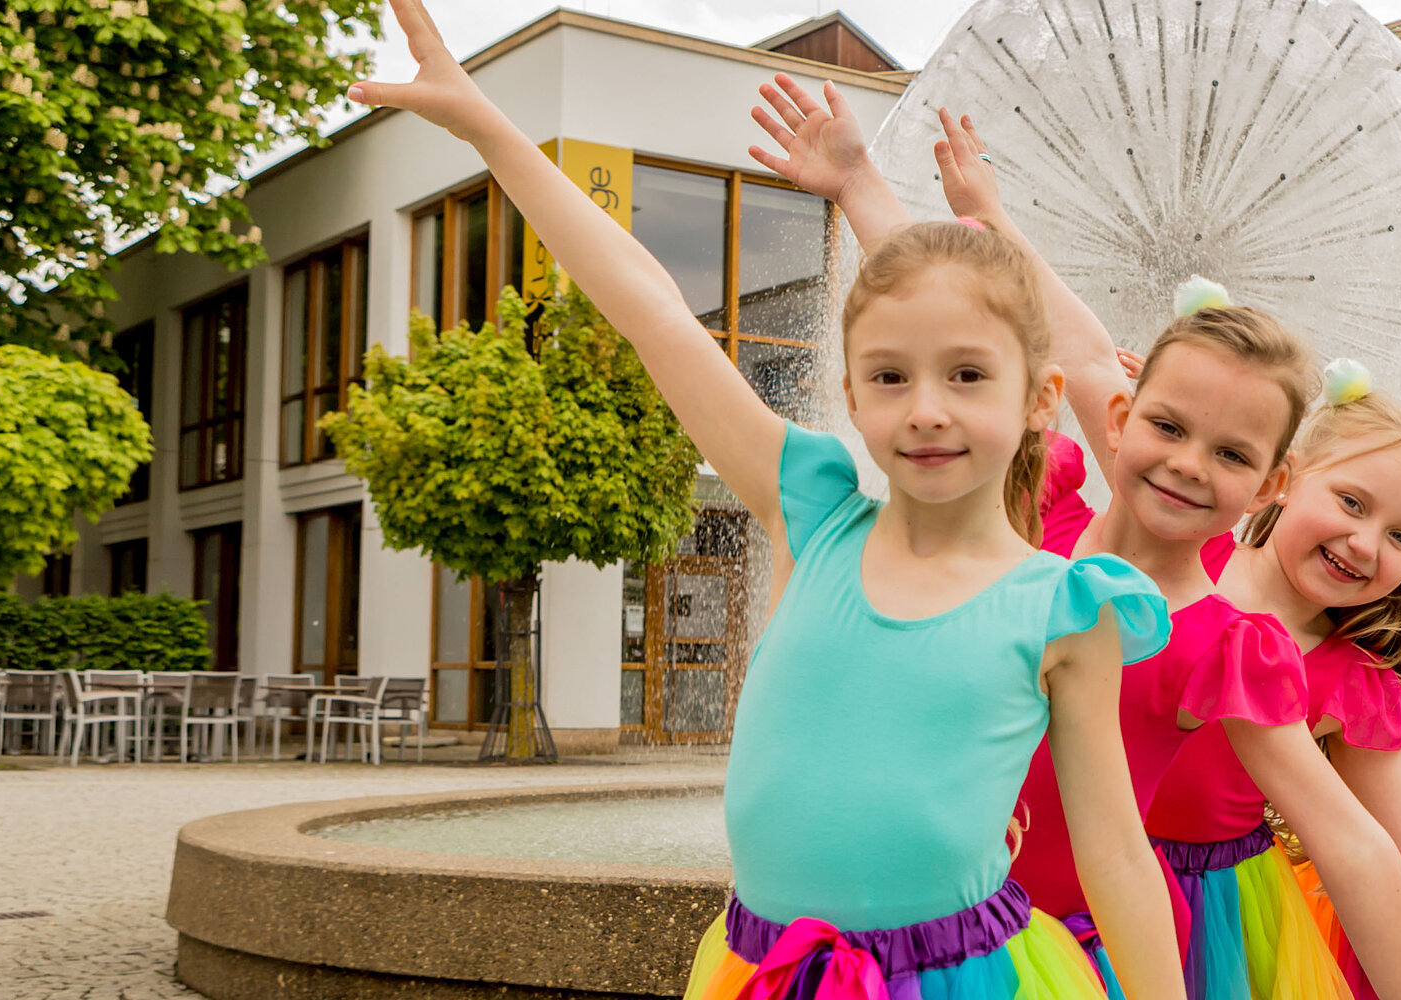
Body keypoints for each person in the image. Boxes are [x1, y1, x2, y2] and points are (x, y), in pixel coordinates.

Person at [347, 7, 1181, 998]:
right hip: (768, 969)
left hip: (963, 979)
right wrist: (490, 129)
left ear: (1040, 400)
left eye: (966, 375)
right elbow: (650, 306)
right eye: (888, 377)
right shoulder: (815, 512)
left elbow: (1119, 855)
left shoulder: (1067, 606)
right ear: (854, 390)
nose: (925, 410)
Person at [740, 78, 1401, 1000]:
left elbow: (1353, 842)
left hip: (1063, 961)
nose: (1190, 465)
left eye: (1231, 453)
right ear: (1118, 417)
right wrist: (861, 183)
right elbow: (961, 335)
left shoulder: (1222, 644)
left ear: (1270, 483)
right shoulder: (1047, 517)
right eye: (1169, 429)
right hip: (921, 946)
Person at [1165, 371, 1401, 1000]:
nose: (1364, 542)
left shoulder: (1355, 682)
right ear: (1284, 480)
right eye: (1352, 502)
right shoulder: (1182, 556)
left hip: (1227, 915)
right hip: (1094, 869)